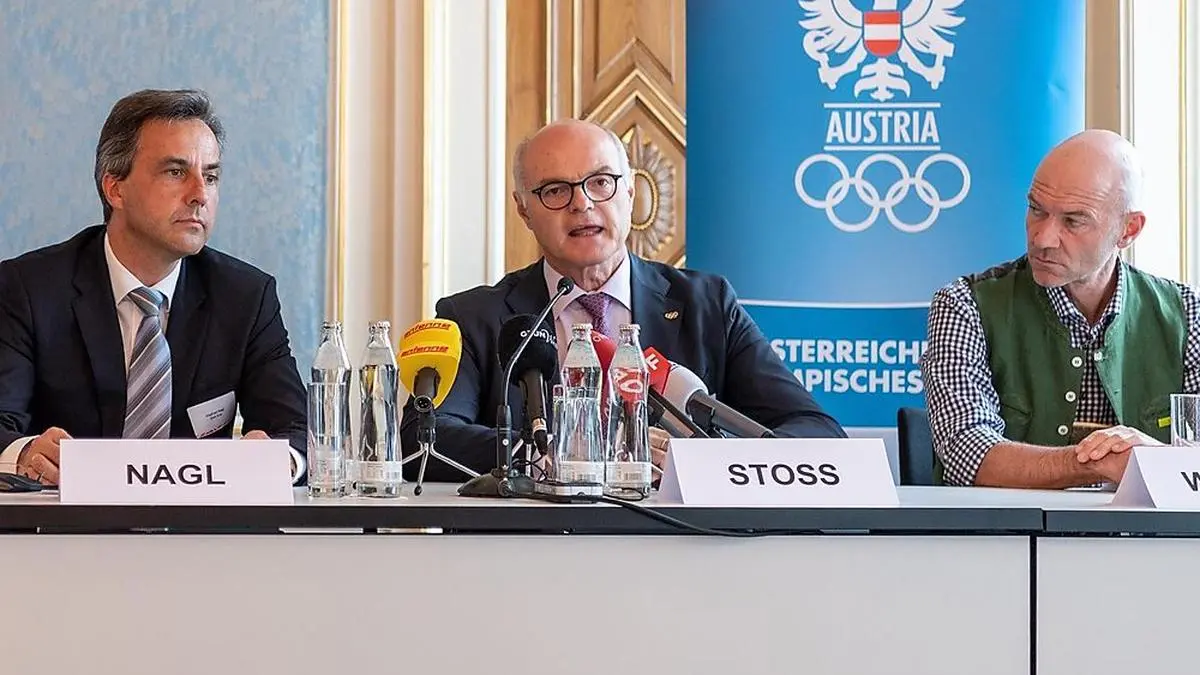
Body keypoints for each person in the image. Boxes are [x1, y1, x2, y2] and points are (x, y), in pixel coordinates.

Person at [399, 118, 845, 481]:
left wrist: (707, 463)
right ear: (523, 210)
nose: (582, 204)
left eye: (601, 182)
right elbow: (424, 440)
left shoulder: (707, 305)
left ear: (630, 193)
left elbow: (817, 433)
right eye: (555, 190)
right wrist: (581, 450)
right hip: (528, 562)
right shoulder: (475, 316)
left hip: (685, 562)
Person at [0, 89, 308, 485]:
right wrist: (24, 452)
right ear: (116, 189)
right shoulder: (28, 289)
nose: (199, 194)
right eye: (176, 172)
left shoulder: (246, 298)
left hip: (201, 540)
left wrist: (280, 461)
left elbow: (296, 431)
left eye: (211, 176)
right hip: (66, 535)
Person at [921, 129, 1200, 489]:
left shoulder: (1187, 313)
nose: (1042, 238)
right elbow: (968, 454)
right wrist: (1100, 462)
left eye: (1073, 221)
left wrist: (1154, 461)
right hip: (1006, 542)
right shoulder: (964, 304)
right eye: (1036, 210)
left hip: (1147, 544)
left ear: (1128, 230)